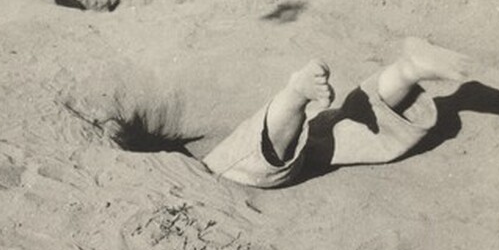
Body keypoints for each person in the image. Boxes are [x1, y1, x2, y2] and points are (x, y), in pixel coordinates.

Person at [201, 38, 470, 188]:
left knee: (236, 167)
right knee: (346, 130)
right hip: (308, 141)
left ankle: (295, 94)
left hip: (219, 171)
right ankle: (407, 71)